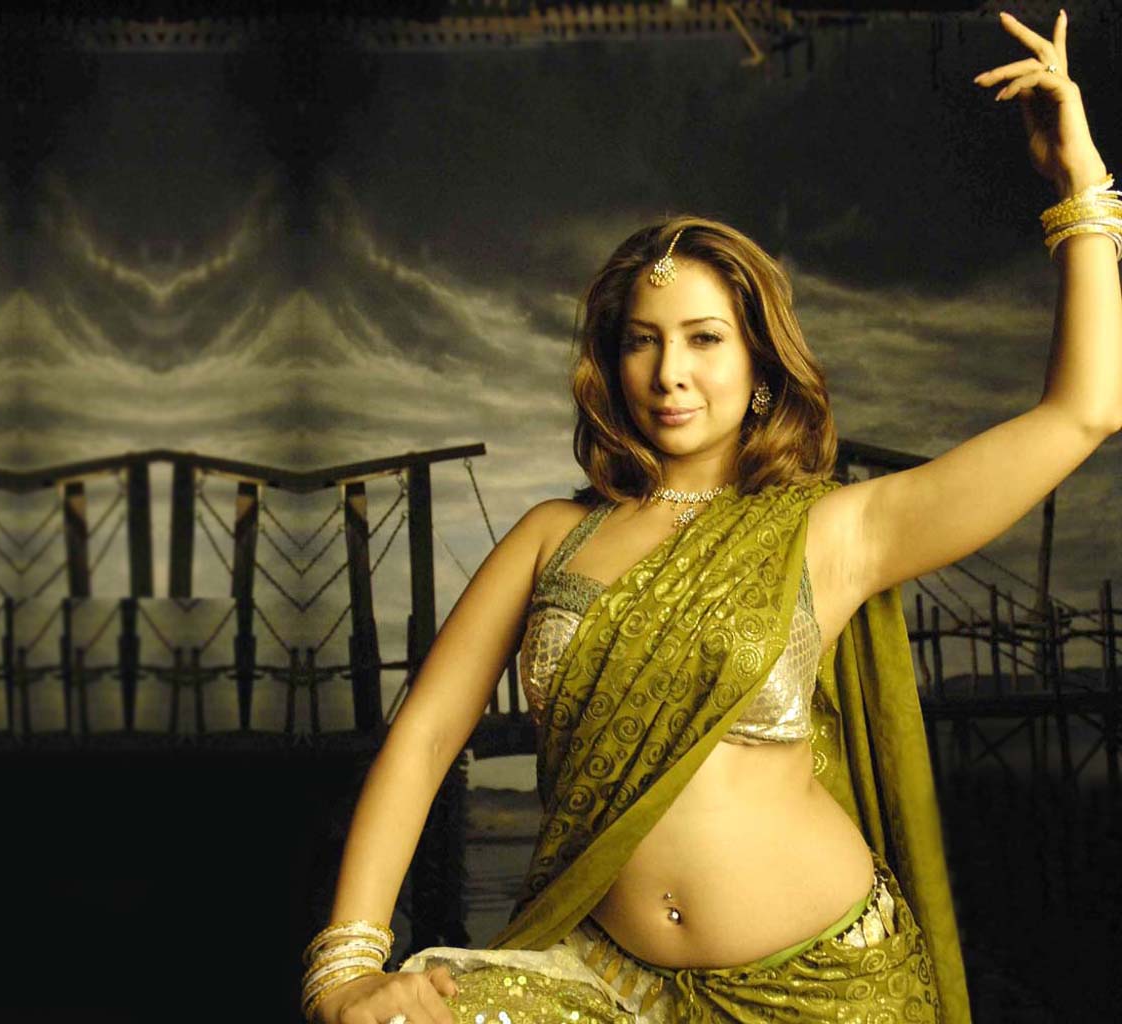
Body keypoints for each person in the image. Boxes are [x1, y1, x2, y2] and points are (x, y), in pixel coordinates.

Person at [301, 10, 1120, 1023]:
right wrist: (346, 961)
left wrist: (1080, 186)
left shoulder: (831, 531)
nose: (669, 372)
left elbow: (1082, 412)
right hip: (607, 983)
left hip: (823, 988)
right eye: (640, 341)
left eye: (703, 338)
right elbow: (427, 735)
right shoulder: (554, 536)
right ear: (610, 364)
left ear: (759, 363)